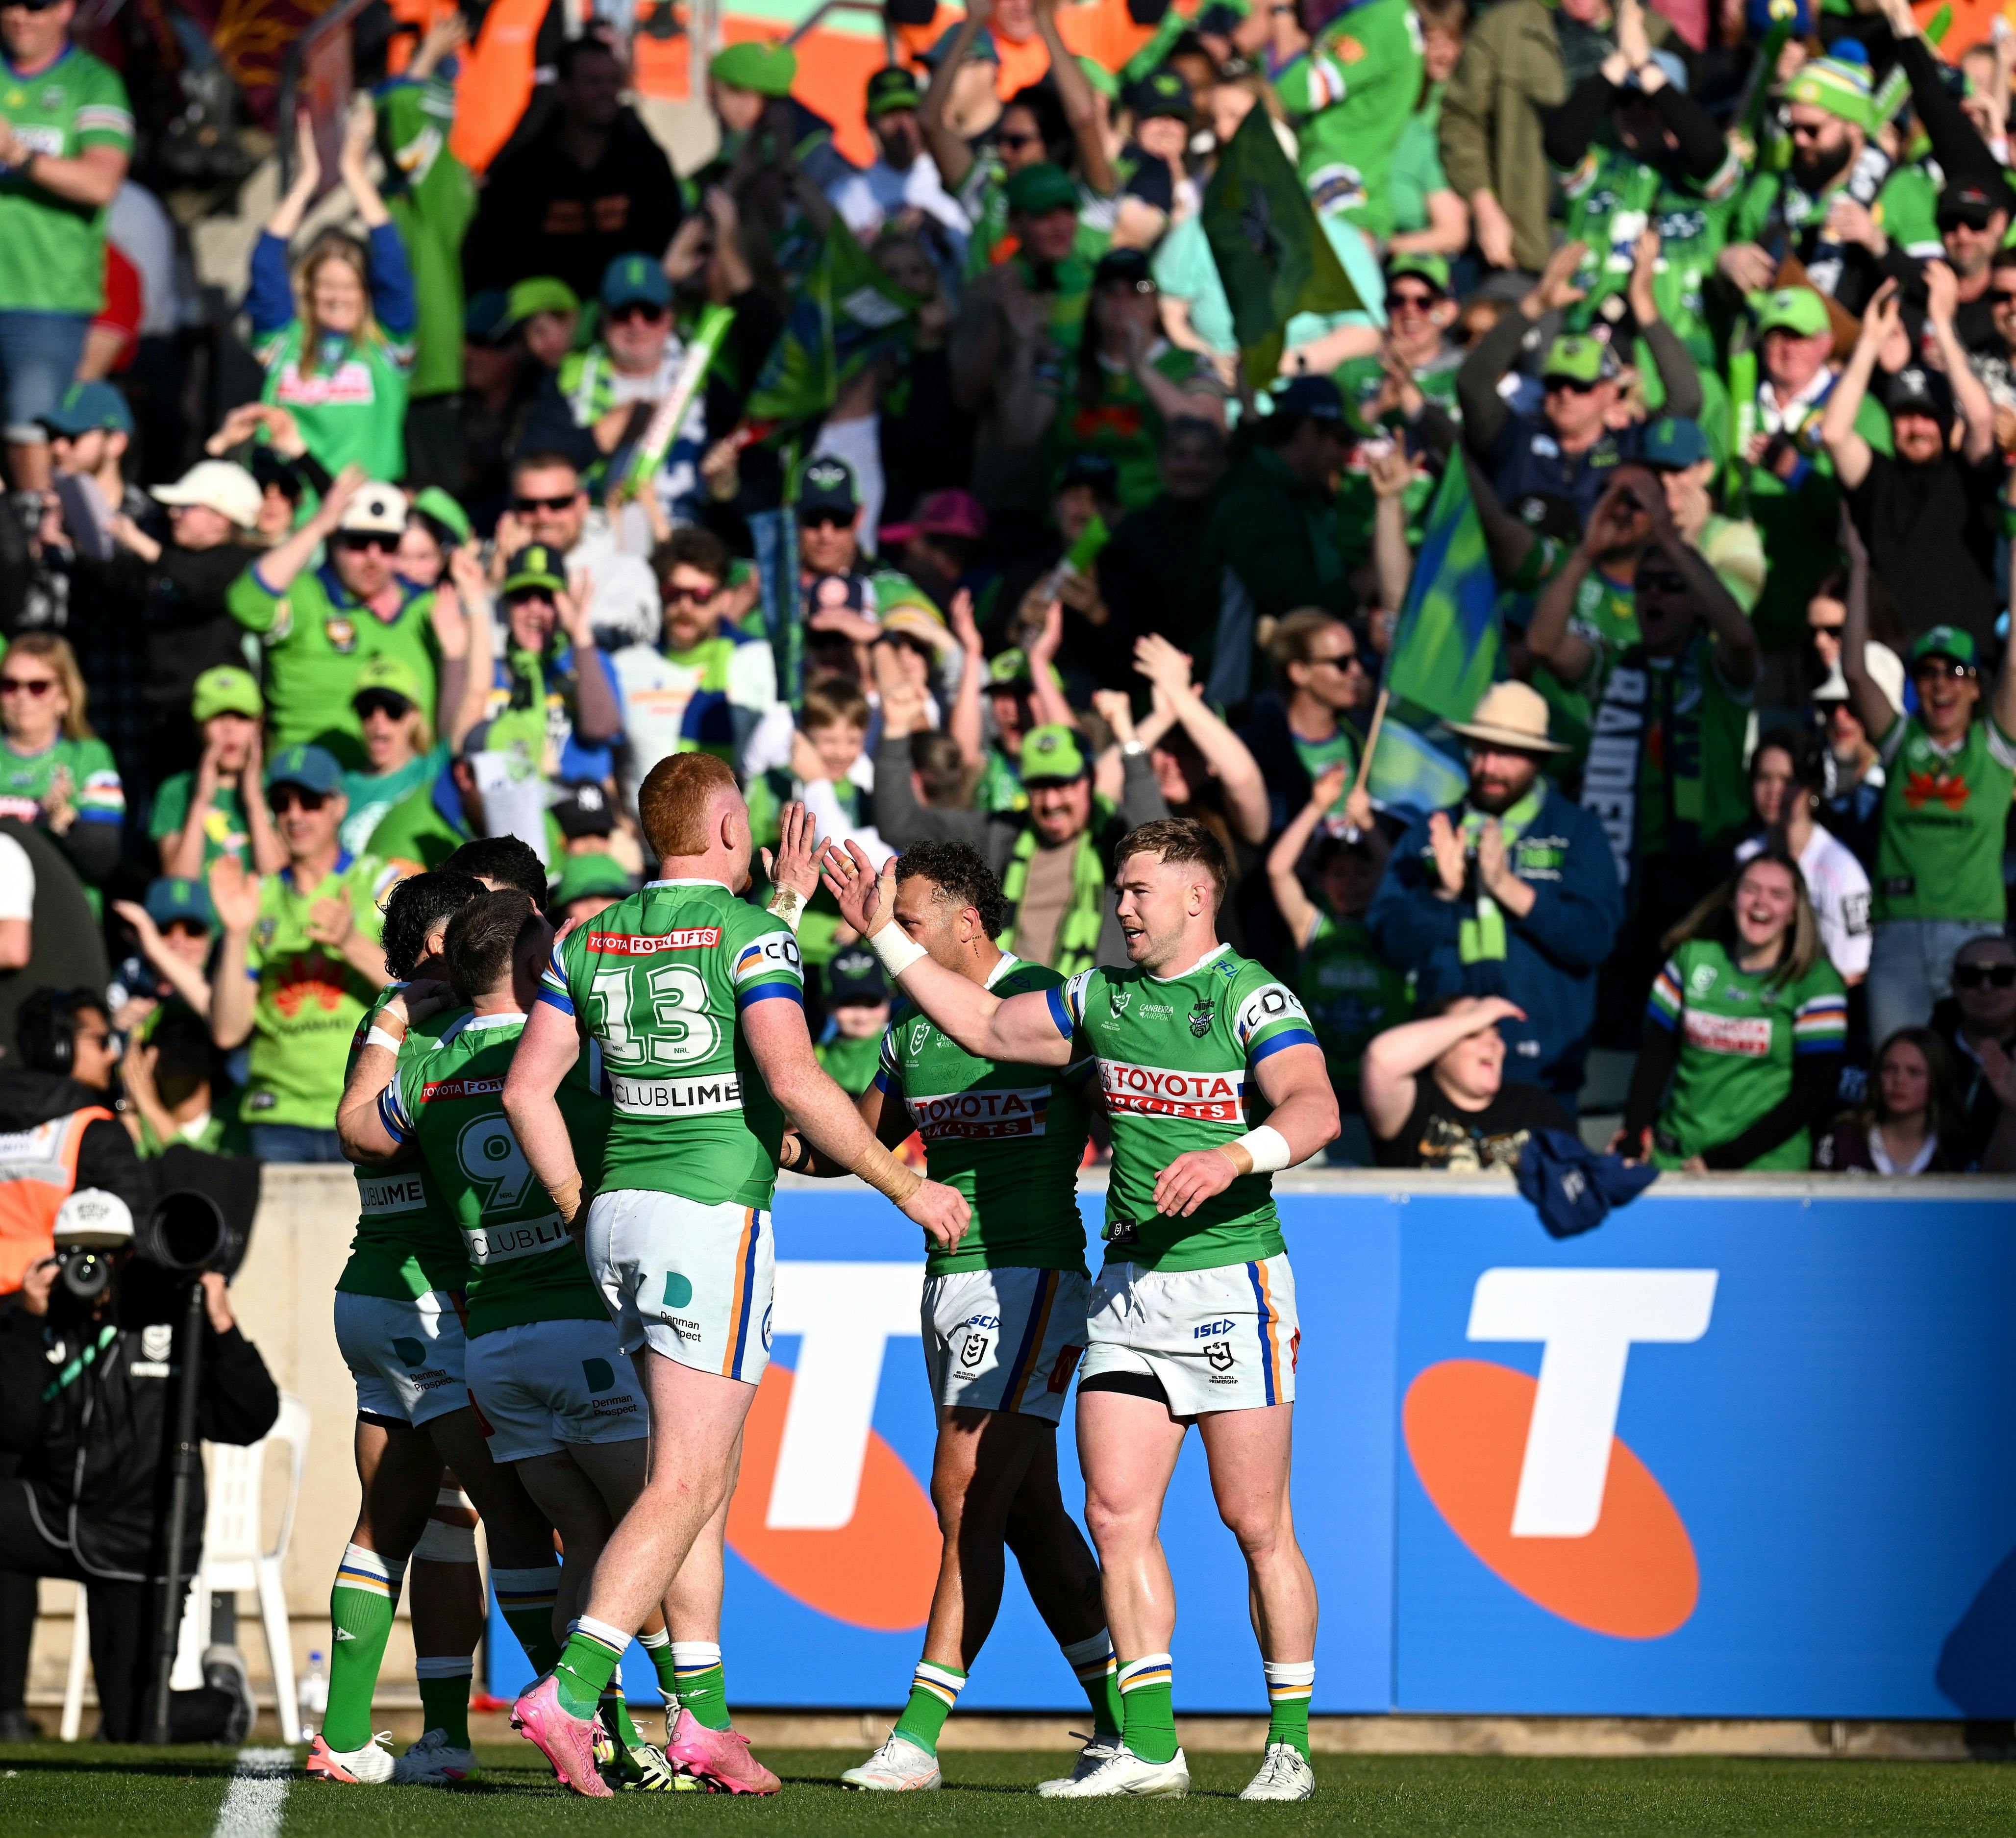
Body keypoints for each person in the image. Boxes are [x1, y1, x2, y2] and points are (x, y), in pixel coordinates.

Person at [823, 816, 1338, 1801]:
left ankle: (1288, 1745)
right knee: (1112, 1513)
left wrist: (1235, 1155)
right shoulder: (1097, 998)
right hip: (1127, 1289)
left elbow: (1314, 1107)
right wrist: (881, 934)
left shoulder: (1249, 994)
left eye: (1139, 890)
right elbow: (983, 1025)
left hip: (1231, 1284)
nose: (1122, 907)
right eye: (1118, 892)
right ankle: (1148, 1745)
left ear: (1198, 896)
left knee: (1254, 1523)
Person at [501, 762, 965, 1798]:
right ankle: (570, 1693)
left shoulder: (588, 937)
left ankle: (702, 1722)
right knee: (684, 1483)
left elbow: (528, 1091)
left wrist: (577, 1203)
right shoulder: (750, 937)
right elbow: (792, 1079)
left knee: (703, 1480)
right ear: (721, 824)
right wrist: (904, 1185)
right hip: (710, 1219)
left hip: (619, 1214)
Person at [340, 889, 704, 1789]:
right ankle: (669, 1720)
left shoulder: (425, 1071)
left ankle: (593, 1727)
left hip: (492, 1340)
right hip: (575, 1323)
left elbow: (358, 1129)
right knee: (656, 1520)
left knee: (564, 1530)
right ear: (536, 964)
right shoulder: (570, 1052)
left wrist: (389, 1020)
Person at [784, 842, 1122, 1791]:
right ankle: (1128, 1724)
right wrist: (777, 1124)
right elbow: (853, 1144)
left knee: (965, 1491)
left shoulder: (1046, 1004)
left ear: (967, 922)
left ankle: (918, 1738)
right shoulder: (910, 1035)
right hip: (945, 1286)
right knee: (1028, 1512)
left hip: (1032, 1278)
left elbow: (1123, 1114)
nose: (887, 936)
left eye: (906, 919)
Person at [307, 869, 571, 1785]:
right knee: (518, 1516)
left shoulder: (388, 1029)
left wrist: (388, 1019)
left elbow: (359, 1122)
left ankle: (350, 1736)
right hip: (429, 1301)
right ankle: (592, 1725)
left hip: (372, 1296)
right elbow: (364, 1134)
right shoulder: (452, 1037)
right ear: (433, 945)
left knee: (395, 1518)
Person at [0, 1217, 274, 1742]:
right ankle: (5, 1710)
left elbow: (250, 1420)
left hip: (140, 1541)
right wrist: (30, 1321)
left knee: (135, 1724)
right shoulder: (42, 1319)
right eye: (74, 1253)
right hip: (55, 1515)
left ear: (129, 1257)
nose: (89, 1267)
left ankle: (225, 1705)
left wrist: (221, 1323)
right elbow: (13, 1430)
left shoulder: (174, 1319)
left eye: (104, 1254)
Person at [1367, 681, 1623, 1105]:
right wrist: (1441, 895)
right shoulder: (1432, 833)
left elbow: (1594, 940)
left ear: (1539, 758)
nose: (1488, 766)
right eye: (1480, 750)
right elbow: (1387, 945)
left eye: (1507, 753)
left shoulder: (1577, 831)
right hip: (1441, 1071)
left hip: (1545, 1076)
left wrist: (1507, 887)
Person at [1842, 498, 2016, 1042]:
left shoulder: (1995, 749)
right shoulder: (1901, 742)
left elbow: (2015, 659)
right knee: (1897, 1071)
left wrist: (2014, 548)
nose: (1941, 684)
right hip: (1897, 935)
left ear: (1976, 687)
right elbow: (1854, 670)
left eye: (1955, 672)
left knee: (1974, 1071)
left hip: (1974, 938)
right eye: (1929, 672)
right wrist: (1858, 567)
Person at [873, 691, 1170, 977]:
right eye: (1039, 788)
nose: (1051, 803)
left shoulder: (1118, 842)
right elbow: (899, 824)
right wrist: (896, 731)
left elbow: (1163, 848)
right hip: (1005, 1000)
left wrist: (1128, 738)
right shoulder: (1001, 833)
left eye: (1063, 785)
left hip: (1088, 1004)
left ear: (1091, 781)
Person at [206, 745, 395, 1163]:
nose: (295, 815)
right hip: (279, 1114)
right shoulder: (257, 895)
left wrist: (350, 942)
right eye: (281, 803)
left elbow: (426, 993)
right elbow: (228, 1032)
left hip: (366, 1106)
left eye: (310, 801)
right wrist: (236, 934)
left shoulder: (380, 883)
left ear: (339, 806)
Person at [1622, 850, 1849, 1170]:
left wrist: (1721, 1161)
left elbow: (1813, 1092)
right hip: (1677, 1158)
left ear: (1794, 913)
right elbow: (1655, 1058)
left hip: (1764, 1169)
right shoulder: (1692, 958)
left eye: (1777, 895)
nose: (1761, 902)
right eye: (1751, 889)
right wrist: (1632, 1139)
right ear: (1732, 899)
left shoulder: (1816, 981)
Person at [228, 472, 467, 770]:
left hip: (401, 789)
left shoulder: (428, 608)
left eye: (387, 543)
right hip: (305, 785)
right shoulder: (308, 596)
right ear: (335, 539)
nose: (373, 556)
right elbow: (246, 604)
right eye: (358, 541)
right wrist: (317, 527)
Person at [1461, 239, 1701, 532]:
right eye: (1555, 384)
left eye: (1580, 386)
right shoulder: (1513, 439)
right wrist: (1537, 303)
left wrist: (1642, 300)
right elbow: (1473, 383)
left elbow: (1686, 399)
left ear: (1610, 391)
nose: (1565, 394)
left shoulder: (1631, 447)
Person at [1823, 274, 2003, 649]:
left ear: (1946, 422)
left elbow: (1981, 419)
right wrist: (1870, 341)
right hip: (1890, 657)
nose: (1916, 428)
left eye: (1927, 416)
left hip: (1964, 658)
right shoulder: (1877, 479)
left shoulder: (1968, 476)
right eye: (1905, 416)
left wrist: (1942, 325)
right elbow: (1834, 434)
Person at [1439, 0, 1677, 273]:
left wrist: (1634, 43)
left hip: (1623, 251)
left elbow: (1698, 130)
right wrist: (1484, 205)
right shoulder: (1505, 26)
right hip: (1529, 239)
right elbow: (1460, 119)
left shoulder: (1655, 31)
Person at [0, 0, 131, 496]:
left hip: (45, 301)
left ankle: (41, 534)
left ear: (65, 9)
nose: (20, 15)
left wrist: (18, 154)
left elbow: (102, 183)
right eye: (10, 2)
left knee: (33, 436)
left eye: (37, 4)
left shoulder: (93, 83)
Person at [249, 107, 415, 481]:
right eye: (327, 286)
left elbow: (392, 265)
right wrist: (305, 182)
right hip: (291, 506)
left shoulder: (386, 341)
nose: (337, 298)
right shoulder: (284, 340)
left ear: (366, 292)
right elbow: (265, 265)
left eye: (349, 287)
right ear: (309, 289)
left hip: (361, 508)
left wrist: (354, 174)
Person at [462, 34, 682, 303]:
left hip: (625, 312)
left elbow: (667, 239)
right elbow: (490, 256)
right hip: (543, 315)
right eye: (593, 82)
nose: (606, 92)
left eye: (613, 81)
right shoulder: (525, 170)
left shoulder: (645, 162)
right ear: (563, 90)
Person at [1267, 764, 1409, 1132]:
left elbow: (1397, 871)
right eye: (1339, 874)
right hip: (1318, 1085)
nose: (1351, 884)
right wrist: (1317, 806)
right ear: (1321, 880)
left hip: (1378, 1087)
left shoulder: (1396, 927)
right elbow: (1278, 870)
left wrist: (1368, 825)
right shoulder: (1311, 925)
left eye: (1362, 873)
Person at [1199, 378, 1355, 703]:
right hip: (1242, 695)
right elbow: (1294, 607)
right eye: (1341, 439)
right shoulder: (1253, 503)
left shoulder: (1302, 495)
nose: (1346, 454)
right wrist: (1362, 584)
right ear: (1307, 432)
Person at [606, 524, 776, 814]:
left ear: (724, 598)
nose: (685, 606)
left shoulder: (753, 658)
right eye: (674, 593)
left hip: (733, 832)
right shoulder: (625, 665)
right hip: (644, 837)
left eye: (701, 595)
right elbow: (605, 757)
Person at [1058, 248, 1225, 514]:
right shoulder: (1066, 366)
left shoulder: (1190, 364)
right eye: (1110, 291)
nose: (1123, 302)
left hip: (1154, 517)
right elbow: (1019, 434)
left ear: (1156, 302)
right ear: (1094, 302)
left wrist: (1140, 368)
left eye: (1138, 290)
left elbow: (1211, 433)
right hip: (1074, 521)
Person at [1363, 996, 1571, 1172]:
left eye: (1496, 1033)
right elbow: (1381, 1061)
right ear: (1437, 1049)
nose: (1493, 1043)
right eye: (1473, 1033)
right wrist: (1480, 1015)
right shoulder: (1416, 1104)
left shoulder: (1534, 1104)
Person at [1734, 729, 1871, 988]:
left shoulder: (1842, 871)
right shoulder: (1743, 856)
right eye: (1764, 778)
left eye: (1788, 781)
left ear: (1812, 791)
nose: (1774, 791)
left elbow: (1855, 971)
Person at [491, 451, 660, 653]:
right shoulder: (495, 564)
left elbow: (635, 651)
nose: (543, 516)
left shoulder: (626, 570)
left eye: (558, 503)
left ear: (582, 504)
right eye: (528, 505)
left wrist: (575, 624)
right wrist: (497, 579)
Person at [0, 634, 124, 900]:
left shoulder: (89, 757)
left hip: (63, 912)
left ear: (65, 697)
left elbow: (102, 863)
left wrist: (63, 820)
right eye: (9, 685)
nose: (22, 696)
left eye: (38, 687)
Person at [1240, 611, 1373, 834]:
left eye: (1356, 658)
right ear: (1300, 672)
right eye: (1342, 663)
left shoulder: (1364, 733)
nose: (1356, 670)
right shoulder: (1261, 747)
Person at [149, 668, 285, 880]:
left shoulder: (280, 789)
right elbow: (180, 885)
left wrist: (255, 800)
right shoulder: (176, 791)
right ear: (199, 727)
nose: (229, 728)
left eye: (241, 717)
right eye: (217, 717)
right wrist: (201, 800)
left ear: (258, 725)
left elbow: (279, 883)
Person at [829, 66, 968, 250]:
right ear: (869, 121)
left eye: (910, 111)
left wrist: (940, 230)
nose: (903, 124)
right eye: (891, 113)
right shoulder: (846, 196)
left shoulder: (955, 180)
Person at [1815, 1025, 1967, 1173]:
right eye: (1890, 1069)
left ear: (1938, 1079)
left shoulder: (1957, 1151)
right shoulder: (1844, 1141)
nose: (1899, 1080)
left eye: (1914, 1072)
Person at [1930, 934, 2016, 1170]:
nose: (1986, 987)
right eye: (1971, 976)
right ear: (1953, 986)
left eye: (2001, 976)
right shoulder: (1922, 1050)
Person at [812, 945, 890, 1095]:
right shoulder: (813, 1060)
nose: (862, 1016)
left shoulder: (903, 1052)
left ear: (890, 996)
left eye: (872, 1003)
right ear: (827, 1004)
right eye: (848, 1004)